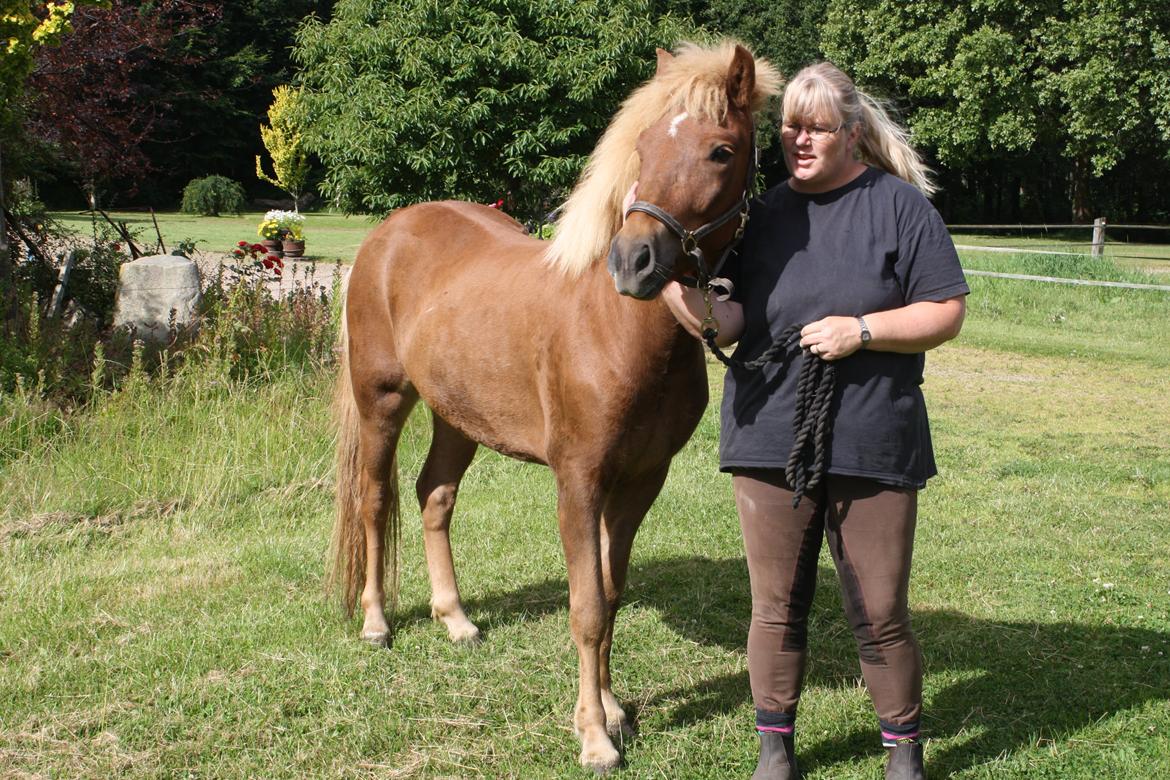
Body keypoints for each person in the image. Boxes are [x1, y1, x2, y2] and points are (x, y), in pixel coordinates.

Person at [660, 62, 969, 780]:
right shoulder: (760, 214)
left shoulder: (901, 209)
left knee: (882, 609)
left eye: (816, 127)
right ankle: (776, 748)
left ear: (852, 133)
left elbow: (945, 312)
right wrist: (680, 288)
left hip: (872, 433)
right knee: (774, 606)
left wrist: (862, 330)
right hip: (769, 432)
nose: (798, 139)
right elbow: (730, 322)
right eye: (789, 126)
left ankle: (903, 750)